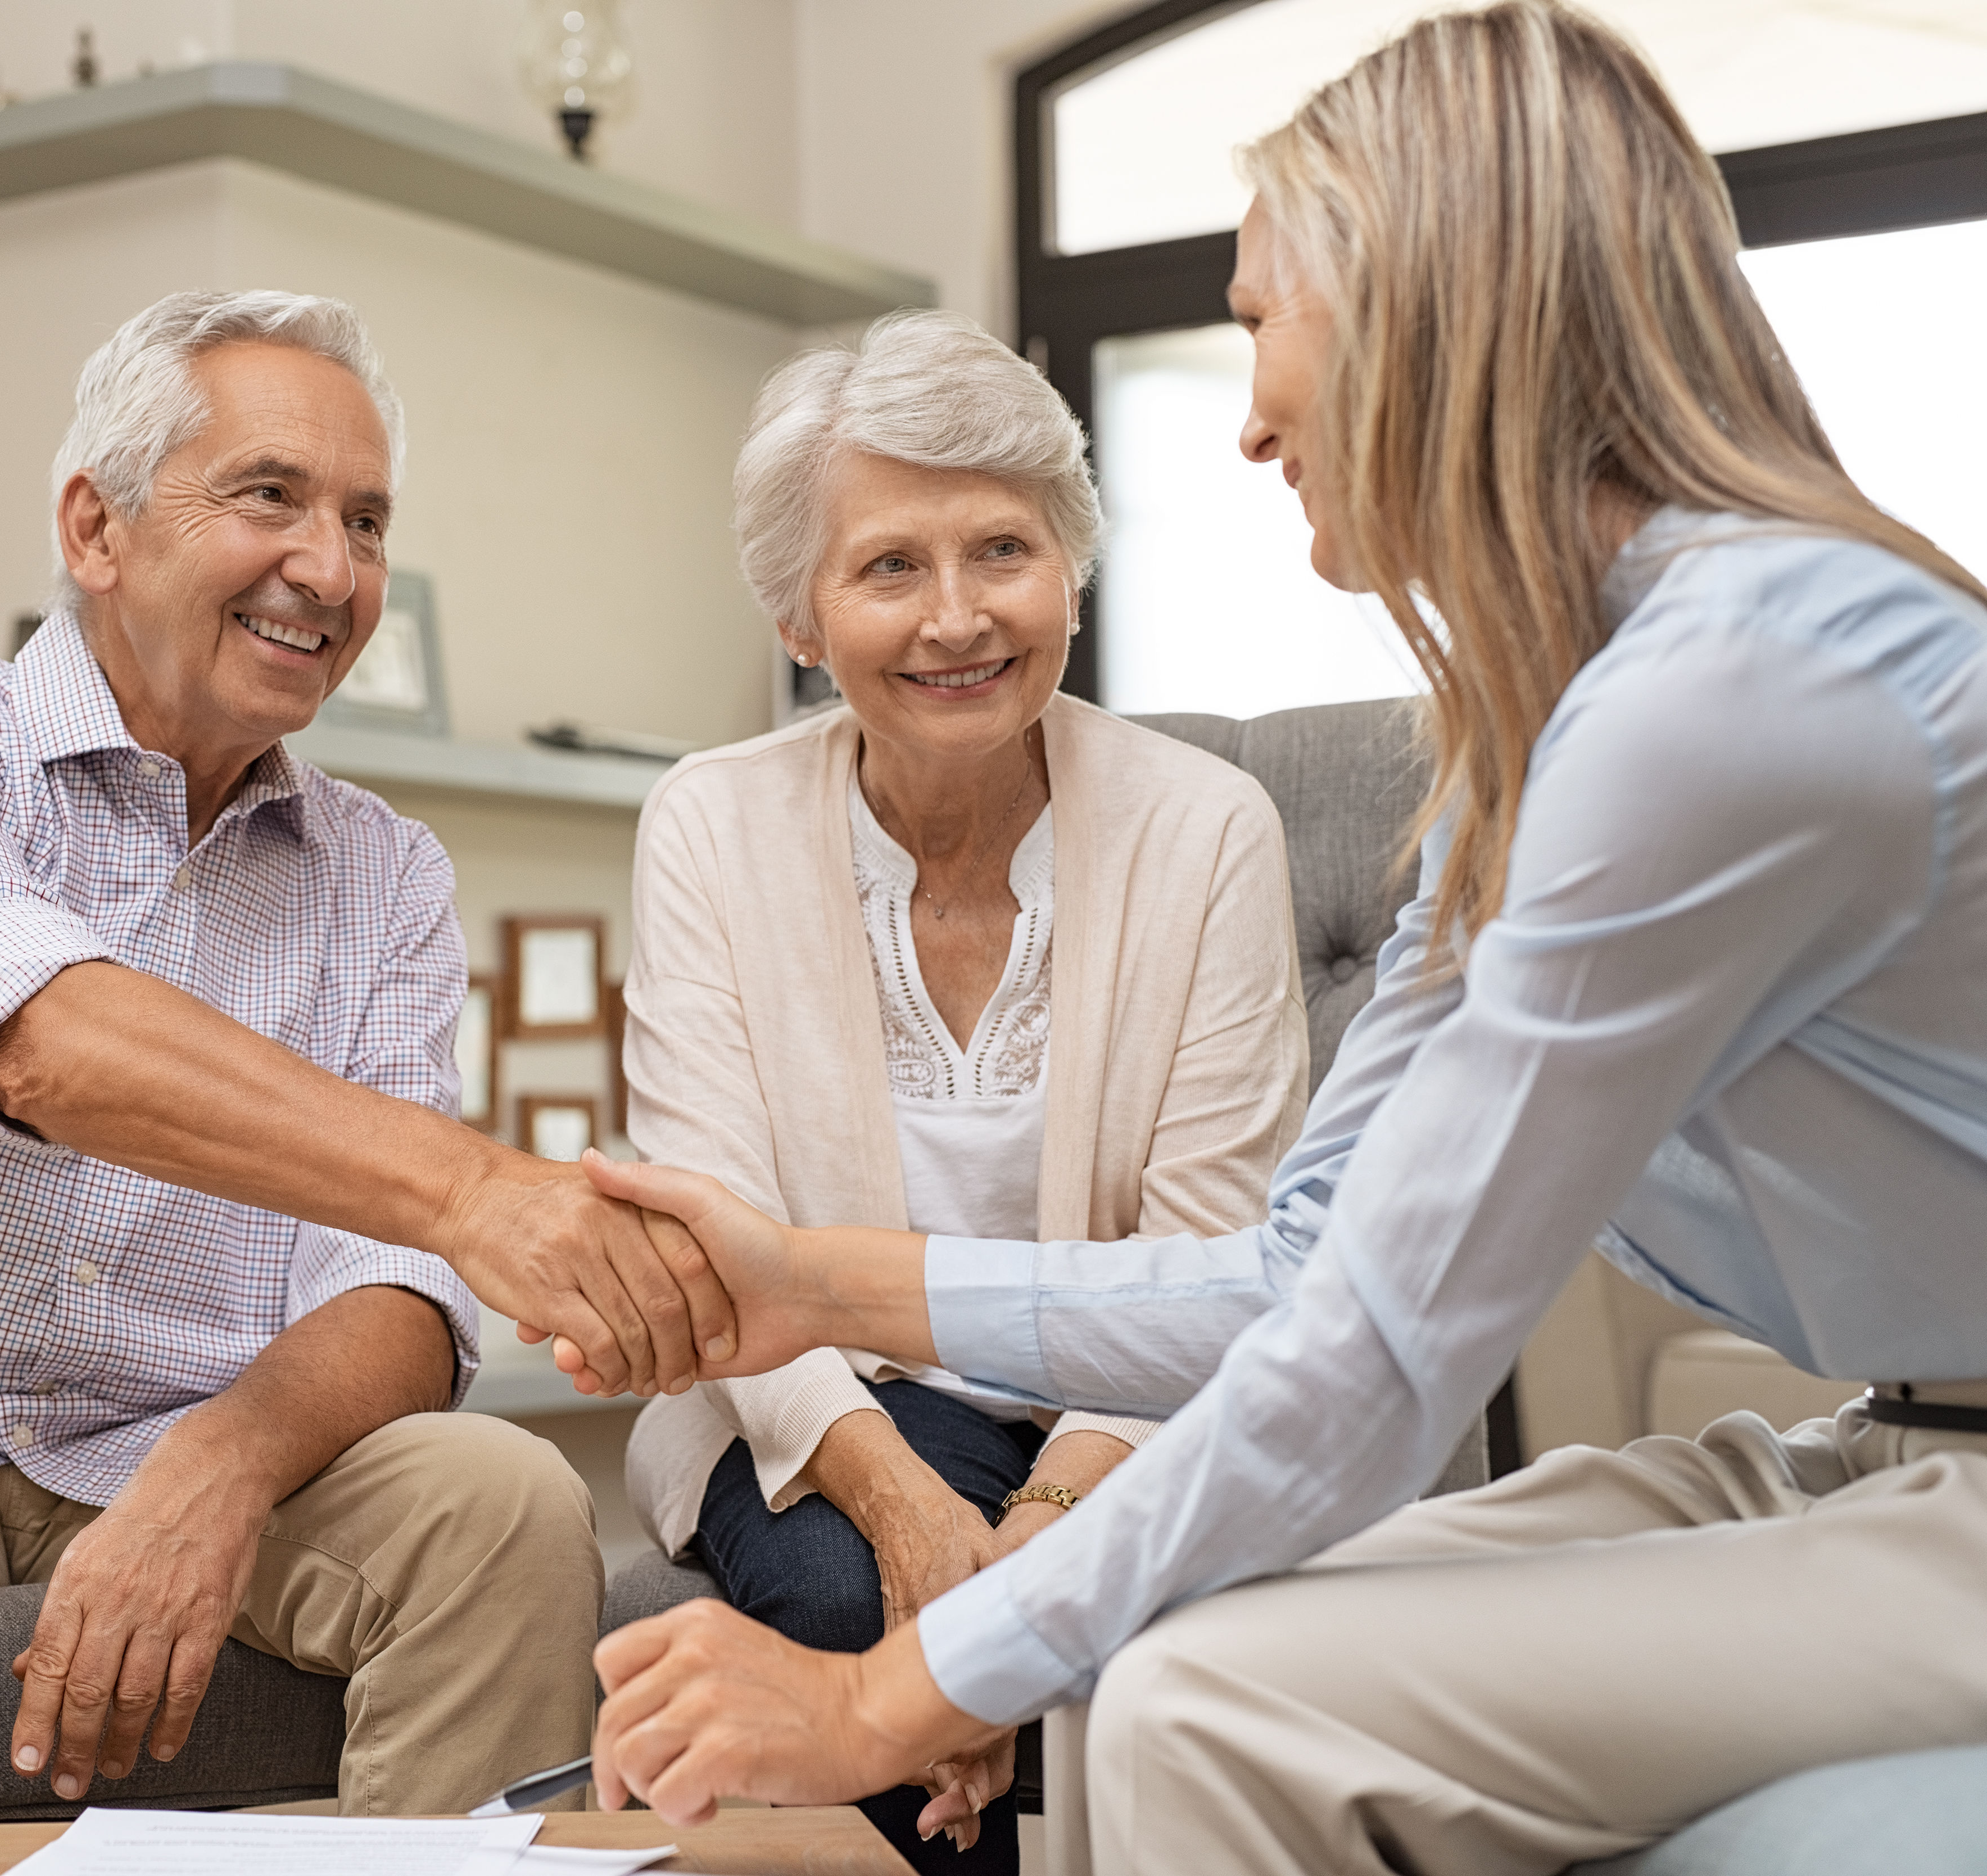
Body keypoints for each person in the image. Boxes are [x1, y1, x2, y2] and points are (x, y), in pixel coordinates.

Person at [567, 7, 1987, 1872]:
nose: (1244, 418)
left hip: (1952, 1490)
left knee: (1189, 1694)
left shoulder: (1727, 697)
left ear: (1417, 309)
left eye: (1257, 319)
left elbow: (1382, 1356)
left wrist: (875, 1705)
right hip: (1887, 1446)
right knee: (1165, 1649)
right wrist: (813, 1285)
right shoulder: (1547, 728)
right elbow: (1297, 1269)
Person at [0, 290, 733, 1830]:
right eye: (270, 496)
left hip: (178, 1416)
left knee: (506, 1501)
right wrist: (477, 1193)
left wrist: (225, 1459)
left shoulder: (384, 871)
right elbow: (46, 1041)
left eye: (367, 521)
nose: (329, 571)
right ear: (97, 528)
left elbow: (395, 1293)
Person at [619, 310, 1307, 1873]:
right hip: (818, 1414)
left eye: (1002, 549)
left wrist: (1036, 1548)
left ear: (1071, 563)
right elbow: (721, 1257)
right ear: (801, 612)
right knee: (853, 1599)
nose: (956, 618)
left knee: (1129, 1643)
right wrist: (932, 1533)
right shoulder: (707, 828)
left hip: (1124, 1411)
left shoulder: (1210, 831)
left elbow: (1211, 1259)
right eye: (888, 567)